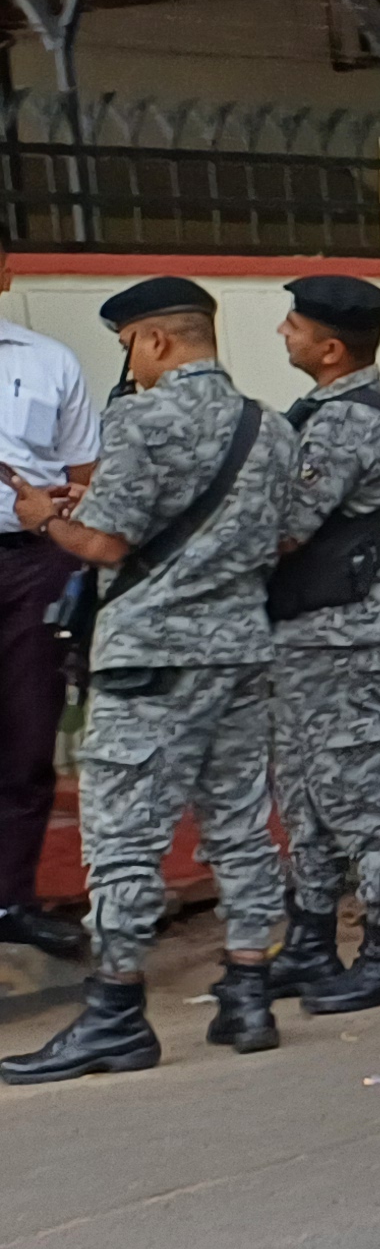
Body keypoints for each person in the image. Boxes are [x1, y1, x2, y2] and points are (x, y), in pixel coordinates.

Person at [0, 277, 299, 1082]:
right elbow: (279, 539)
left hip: (149, 660)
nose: (128, 361)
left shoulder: (139, 417)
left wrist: (45, 519)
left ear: (157, 341)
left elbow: (103, 546)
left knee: (124, 836)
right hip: (239, 652)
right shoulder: (268, 426)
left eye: (129, 343)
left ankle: (116, 1012)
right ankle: (248, 993)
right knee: (239, 823)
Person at [261, 273, 380, 1015]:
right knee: (304, 792)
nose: (282, 334)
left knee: (354, 787)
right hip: (310, 629)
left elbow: (287, 526)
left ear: (330, 348)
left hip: (340, 632)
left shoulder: (348, 422)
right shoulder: (326, 410)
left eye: (293, 326)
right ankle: (311, 939)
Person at [0, 246, 102, 958]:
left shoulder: (49, 362)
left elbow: (85, 480)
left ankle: (11, 902)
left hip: (29, 567)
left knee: (27, 736)